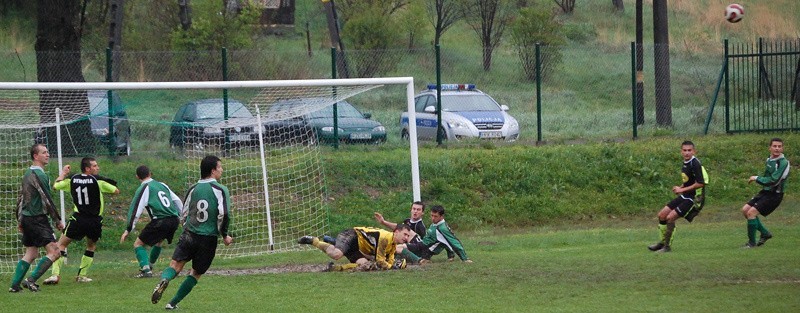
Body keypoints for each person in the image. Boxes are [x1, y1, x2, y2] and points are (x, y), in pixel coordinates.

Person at [151, 155, 233, 310]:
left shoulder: (193, 188)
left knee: (175, 265)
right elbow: (224, 214)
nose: (221, 170)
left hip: (189, 234)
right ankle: (172, 303)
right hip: (208, 239)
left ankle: (164, 279)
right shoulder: (220, 189)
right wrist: (224, 235)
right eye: (220, 167)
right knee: (195, 273)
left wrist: (186, 227)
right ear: (212, 170)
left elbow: (184, 212)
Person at [43, 157, 120, 284]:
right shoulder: (98, 182)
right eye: (95, 166)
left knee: (61, 245)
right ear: (87, 169)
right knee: (90, 246)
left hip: (78, 219)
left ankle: (55, 275)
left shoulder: (73, 180)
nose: (98, 168)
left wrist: (63, 174)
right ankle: (82, 276)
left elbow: (56, 186)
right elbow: (116, 191)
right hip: (94, 220)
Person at [8, 144, 66, 292]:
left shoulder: (28, 173)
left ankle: (14, 286)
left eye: (47, 152)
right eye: (44, 152)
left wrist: (20, 219)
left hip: (27, 219)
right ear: (36, 156)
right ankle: (31, 280)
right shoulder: (40, 175)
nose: (47, 155)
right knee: (55, 252)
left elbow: (21, 198)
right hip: (37, 219)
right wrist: (57, 220)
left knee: (31, 253)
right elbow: (47, 199)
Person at [120, 165, 183, 278]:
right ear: (150, 173)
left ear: (137, 177)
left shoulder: (144, 187)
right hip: (174, 219)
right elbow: (177, 201)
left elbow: (136, 208)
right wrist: (183, 217)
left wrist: (129, 228)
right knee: (158, 242)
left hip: (161, 220)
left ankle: (146, 270)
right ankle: (149, 265)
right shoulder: (162, 185)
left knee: (138, 244)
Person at [647, 140, 706, 253]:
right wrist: (680, 187)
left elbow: (700, 183)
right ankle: (661, 243)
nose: (687, 153)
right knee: (662, 215)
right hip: (684, 195)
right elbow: (689, 181)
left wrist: (682, 189)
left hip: (692, 199)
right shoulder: (685, 162)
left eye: (689, 150)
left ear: (694, 151)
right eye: (684, 150)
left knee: (670, 218)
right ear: (681, 151)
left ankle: (667, 247)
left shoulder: (695, 163)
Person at [298, 224, 414, 271]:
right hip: (352, 235)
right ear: (397, 232)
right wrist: (392, 267)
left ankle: (334, 268)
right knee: (336, 254)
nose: (406, 238)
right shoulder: (385, 238)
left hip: (357, 246)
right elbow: (380, 261)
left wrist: (395, 264)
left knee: (364, 265)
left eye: (408, 236)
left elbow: (389, 260)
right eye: (405, 234)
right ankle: (314, 241)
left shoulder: (393, 245)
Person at [741, 138, 789, 248]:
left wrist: (757, 178)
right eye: (775, 146)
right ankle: (765, 233)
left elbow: (774, 180)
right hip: (766, 192)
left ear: (782, 148)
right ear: (770, 148)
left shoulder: (783, 163)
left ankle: (751, 243)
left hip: (775, 194)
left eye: (779, 146)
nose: (777, 148)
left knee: (751, 213)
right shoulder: (770, 159)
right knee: (745, 210)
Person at [404, 205, 472, 263]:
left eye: (435, 216)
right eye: (432, 215)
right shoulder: (435, 224)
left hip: (425, 252)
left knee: (401, 248)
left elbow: (454, 242)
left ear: (442, 216)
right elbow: (444, 242)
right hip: (421, 245)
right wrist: (451, 256)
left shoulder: (442, 229)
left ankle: (423, 260)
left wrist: (465, 259)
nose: (433, 218)